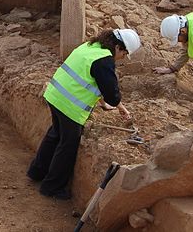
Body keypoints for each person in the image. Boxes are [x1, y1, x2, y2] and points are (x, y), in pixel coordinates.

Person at [28, 29, 141, 199]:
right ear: (118, 47)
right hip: (70, 106)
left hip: (55, 95)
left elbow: (89, 79)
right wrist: (117, 103)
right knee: (68, 144)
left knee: (55, 134)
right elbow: (111, 92)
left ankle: (37, 172)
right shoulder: (104, 60)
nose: (123, 57)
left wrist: (113, 106)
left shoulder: (90, 47)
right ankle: (52, 187)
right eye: (124, 53)